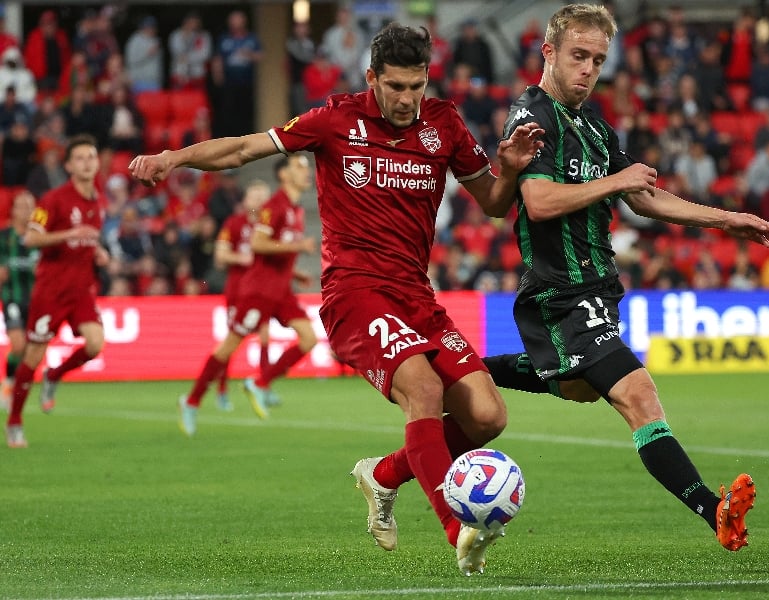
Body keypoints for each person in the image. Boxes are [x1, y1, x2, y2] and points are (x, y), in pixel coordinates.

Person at [129, 23, 543, 574]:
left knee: (488, 416)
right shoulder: (334, 119)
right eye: (395, 86)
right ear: (371, 77)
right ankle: (458, 529)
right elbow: (247, 149)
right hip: (353, 291)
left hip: (416, 293)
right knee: (421, 387)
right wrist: (175, 157)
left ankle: (384, 474)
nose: (406, 99)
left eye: (416, 86)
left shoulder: (443, 124)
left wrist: (511, 169)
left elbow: (493, 201)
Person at [482, 4, 769, 553]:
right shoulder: (532, 117)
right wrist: (615, 179)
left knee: (578, 387)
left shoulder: (595, 126)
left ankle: (469, 371)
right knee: (638, 393)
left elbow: (641, 196)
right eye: (578, 56)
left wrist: (725, 218)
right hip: (561, 290)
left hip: (598, 285)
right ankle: (715, 512)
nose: (589, 70)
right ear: (549, 53)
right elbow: (540, 201)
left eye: (598, 59)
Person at [173, 154, 318, 436]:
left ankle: (261, 383)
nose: (307, 172)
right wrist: (298, 246)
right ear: (284, 175)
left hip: (281, 291)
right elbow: (258, 243)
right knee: (228, 348)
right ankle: (191, 401)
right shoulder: (275, 206)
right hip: (259, 291)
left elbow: (278, 250)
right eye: (300, 167)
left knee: (309, 338)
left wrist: (295, 272)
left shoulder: (296, 209)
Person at [5, 134, 110, 448]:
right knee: (32, 356)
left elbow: (86, 240)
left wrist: (98, 251)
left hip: (81, 291)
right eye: (79, 158)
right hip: (50, 292)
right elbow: (31, 239)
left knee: (95, 345)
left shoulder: (97, 201)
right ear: (68, 165)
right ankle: (14, 421)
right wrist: (69, 233)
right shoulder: (53, 199)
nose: (87, 162)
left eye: (91, 157)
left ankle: (55, 375)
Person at [212, 179, 271, 411]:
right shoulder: (234, 224)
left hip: (262, 291)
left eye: (263, 197)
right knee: (232, 341)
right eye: (255, 196)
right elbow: (220, 257)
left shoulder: (268, 227)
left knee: (265, 335)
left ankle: (264, 388)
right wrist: (242, 258)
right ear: (246, 200)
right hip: (238, 290)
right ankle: (222, 390)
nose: (259, 201)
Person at [0, 191, 40, 411]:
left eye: (30, 206)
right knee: (18, 345)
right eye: (21, 206)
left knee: (28, 352)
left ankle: (13, 383)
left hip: (36, 301)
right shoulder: (4, 238)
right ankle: (8, 382)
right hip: (12, 298)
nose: (26, 210)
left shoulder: (40, 239)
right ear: (13, 210)